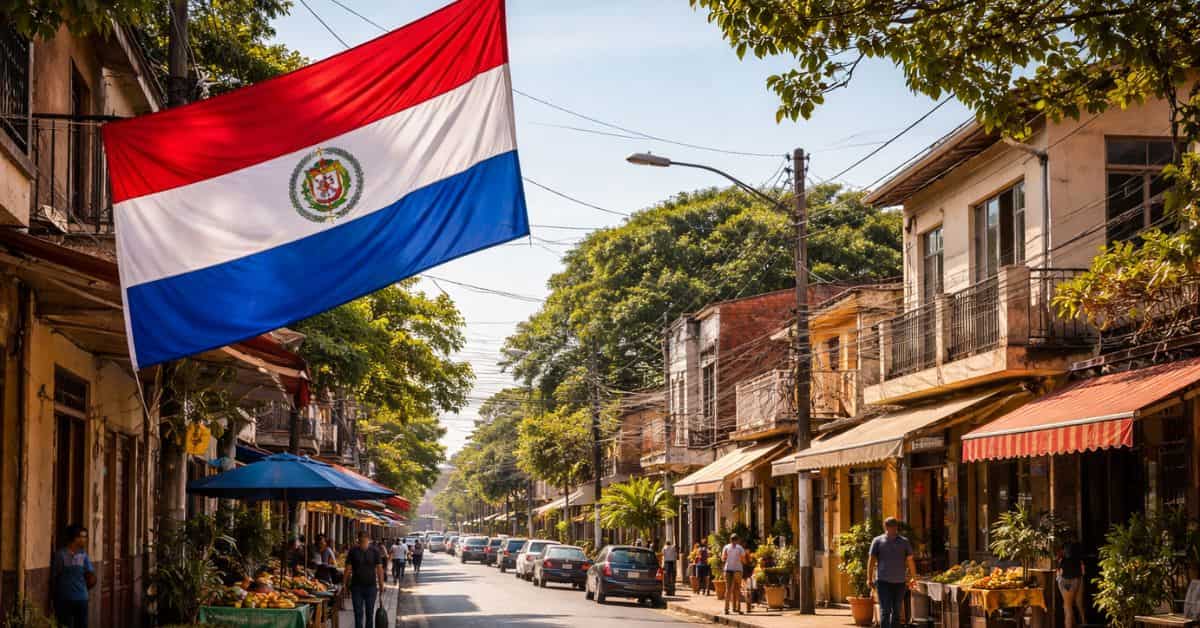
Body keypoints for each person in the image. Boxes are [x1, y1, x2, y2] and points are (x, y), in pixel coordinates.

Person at [867, 517, 917, 628]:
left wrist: (914, 577)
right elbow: (871, 560)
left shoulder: (904, 542)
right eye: (891, 526)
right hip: (883, 581)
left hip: (900, 582)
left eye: (895, 526)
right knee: (885, 609)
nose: (893, 529)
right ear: (886, 527)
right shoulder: (878, 541)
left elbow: (910, 560)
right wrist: (869, 578)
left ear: (897, 527)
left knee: (897, 611)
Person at [51, 524, 95, 628]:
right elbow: (54, 577)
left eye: (85, 537)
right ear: (75, 538)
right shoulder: (60, 555)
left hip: (81, 600)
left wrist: (87, 587)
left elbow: (91, 576)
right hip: (64, 600)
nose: (85, 540)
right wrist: (54, 598)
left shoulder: (83, 555)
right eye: (82, 537)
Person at [345, 532, 385, 628]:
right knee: (358, 613)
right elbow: (348, 568)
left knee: (369, 613)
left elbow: (380, 569)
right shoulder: (353, 551)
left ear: (368, 540)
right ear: (358, 540)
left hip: (371, 587)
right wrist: (344, 584)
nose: (363, 544)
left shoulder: (375, 551)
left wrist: (381, 585)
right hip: (356, 587)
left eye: (365, 541)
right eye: (361, 541)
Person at [1058, 541, 1086, 628]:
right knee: (1075, 605)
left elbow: (1059, 573)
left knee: (1067, 607)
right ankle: (1083, 622)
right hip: (1075, 580)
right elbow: (1083, 572)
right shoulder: (1079, 560)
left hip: (1064, 581)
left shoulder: (1062, 560)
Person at [721, 534, 748, 615]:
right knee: (737, 590)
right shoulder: (740, 548)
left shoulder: (726, 547)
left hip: (728, 570)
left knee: (728, 590)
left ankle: (726, 609)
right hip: (738, 570)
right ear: (738, 540)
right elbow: (743, 560)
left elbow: (723, 558)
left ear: (730, 539)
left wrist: (729, 559)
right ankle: (737, 608)